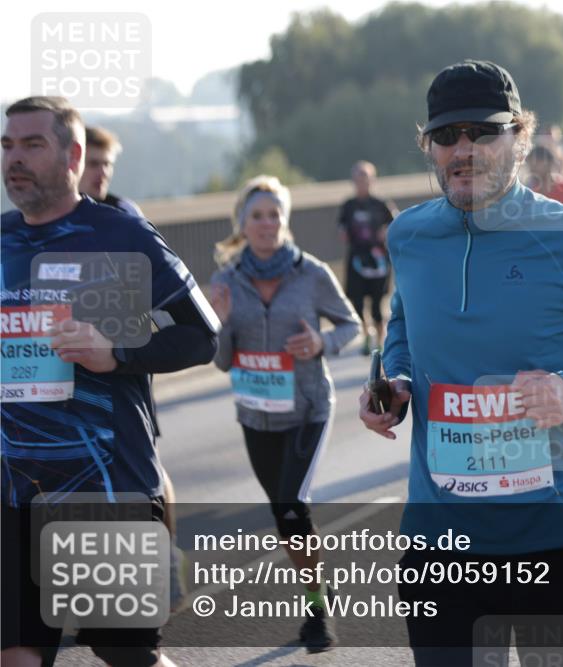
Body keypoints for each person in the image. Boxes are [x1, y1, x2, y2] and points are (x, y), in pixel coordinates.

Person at [358, 59, 563, 666]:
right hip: (441, 545)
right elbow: (402, 321)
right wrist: (396, 378)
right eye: (447, 135)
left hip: (557, 541)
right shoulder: (408, 236)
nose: (465, 149)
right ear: (429, 147)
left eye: (484, 132)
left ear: (520, 137)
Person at [2, 96, 219, 667]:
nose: (14, 159)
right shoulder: (0, 242)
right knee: (16, 653)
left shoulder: (121, 235)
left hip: (103, 483)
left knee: (127, 657)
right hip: (14, 484)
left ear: (73, 155)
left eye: (32, 145)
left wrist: (116, 352)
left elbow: (203, 335)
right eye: (7, 146)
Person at [209, 175, 361, 651]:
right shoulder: (225, 281)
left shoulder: (311, 273)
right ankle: (318, 582)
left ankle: (317, 612)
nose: (268, 223)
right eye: (258, 215)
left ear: (285, 220)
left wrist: (321, 342)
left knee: (293, 507)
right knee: (282, 513)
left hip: (308, 409)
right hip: (256, 415)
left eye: (275, 213)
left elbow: (350, 323)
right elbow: (221, 360)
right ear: (242, 222)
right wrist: (222, 321)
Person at [80, 124, 187, 611]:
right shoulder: (35, 226)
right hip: (66, 374)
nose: (100, 174)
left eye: (107, 166)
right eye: (93, 164)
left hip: (124, 367)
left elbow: (168, 303)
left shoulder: (126, 218)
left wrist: (128, 338)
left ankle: (160, 557)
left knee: (144, 464)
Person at [338, 160, 397, 354]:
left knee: (377, 303)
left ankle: (380, 342)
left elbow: (396, 223)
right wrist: (344, 232)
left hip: (378, 259)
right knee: (357, 301)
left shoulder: (380, 204)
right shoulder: (348, 205)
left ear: (372, 180)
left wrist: (385, 232)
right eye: (358, 179)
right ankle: (365, 336)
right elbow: (341, 227)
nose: (362, 182)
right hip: (357, 258)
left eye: (365, 178)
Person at [79, 125, 143, 217]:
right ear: (74, 164)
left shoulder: (126, 210)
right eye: (93, 164)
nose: (103, 172)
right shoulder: (54, 213)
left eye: (107, 164)